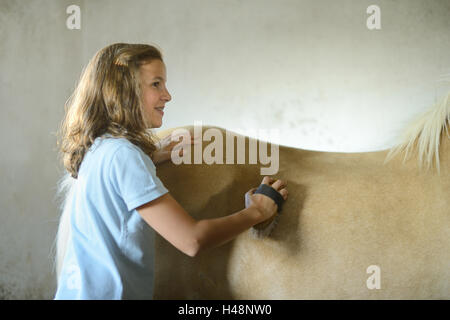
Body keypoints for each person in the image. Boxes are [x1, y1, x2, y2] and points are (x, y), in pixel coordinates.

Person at [54, 43, 288, 299]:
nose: (167, 95)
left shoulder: (99, 147)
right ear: (123, 92)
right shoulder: (124, 156)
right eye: (156, 84)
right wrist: (257, 211)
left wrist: (150, 157)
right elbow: (191, 240)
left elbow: (114, 185)